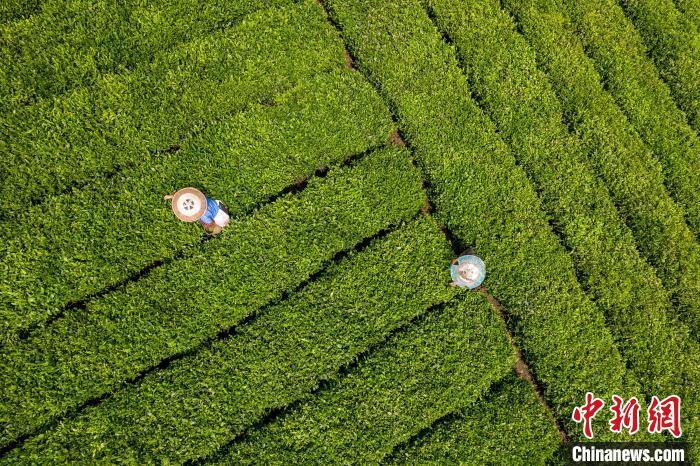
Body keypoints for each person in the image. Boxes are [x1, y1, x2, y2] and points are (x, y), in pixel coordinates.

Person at [164, 187, 230, 235]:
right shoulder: (199, 199)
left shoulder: (204, 217)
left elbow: (212, 223)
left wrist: (207, 229)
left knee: (214, 230)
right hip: (219, 204)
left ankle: (224, 226)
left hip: (222, 216)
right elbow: (184, 197)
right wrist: (171, 196)